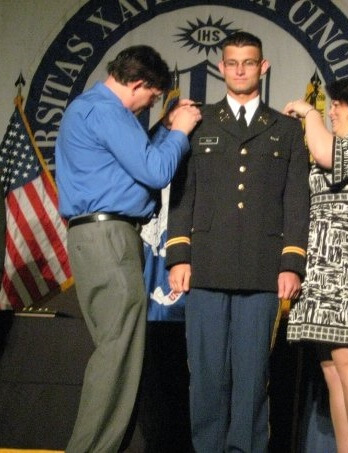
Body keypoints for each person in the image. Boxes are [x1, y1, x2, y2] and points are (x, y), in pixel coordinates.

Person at [166, 31, 310, 452]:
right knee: (207, 375)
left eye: (249, 62)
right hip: (207, 265)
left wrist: (291, 263)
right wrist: (179, 255)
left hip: (264, 268)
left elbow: (296, 200)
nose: (241, 69)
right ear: (222, 67)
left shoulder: (285, 129)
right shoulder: (198, 123)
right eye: (232, 63)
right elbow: (182, 194)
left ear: (262, 67)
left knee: (251, 377)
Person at [55, 45, 201, 453]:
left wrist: (161, 130)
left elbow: (127, 163)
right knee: (118, 355)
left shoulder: (93, 110)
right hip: (109, 239)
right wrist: (180, 131)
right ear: (138, 84)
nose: (150, 104)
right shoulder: (107, 112)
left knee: (119, 353)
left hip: (98, 238)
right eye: (153, 97)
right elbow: (155, 170)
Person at [284, 77, 348, 453]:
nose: (331, 110)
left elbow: (330, 156)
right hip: (321, 265)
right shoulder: (336, 143)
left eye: (338, 104)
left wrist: (309, 113)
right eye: (329, 105)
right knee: (333, 371)